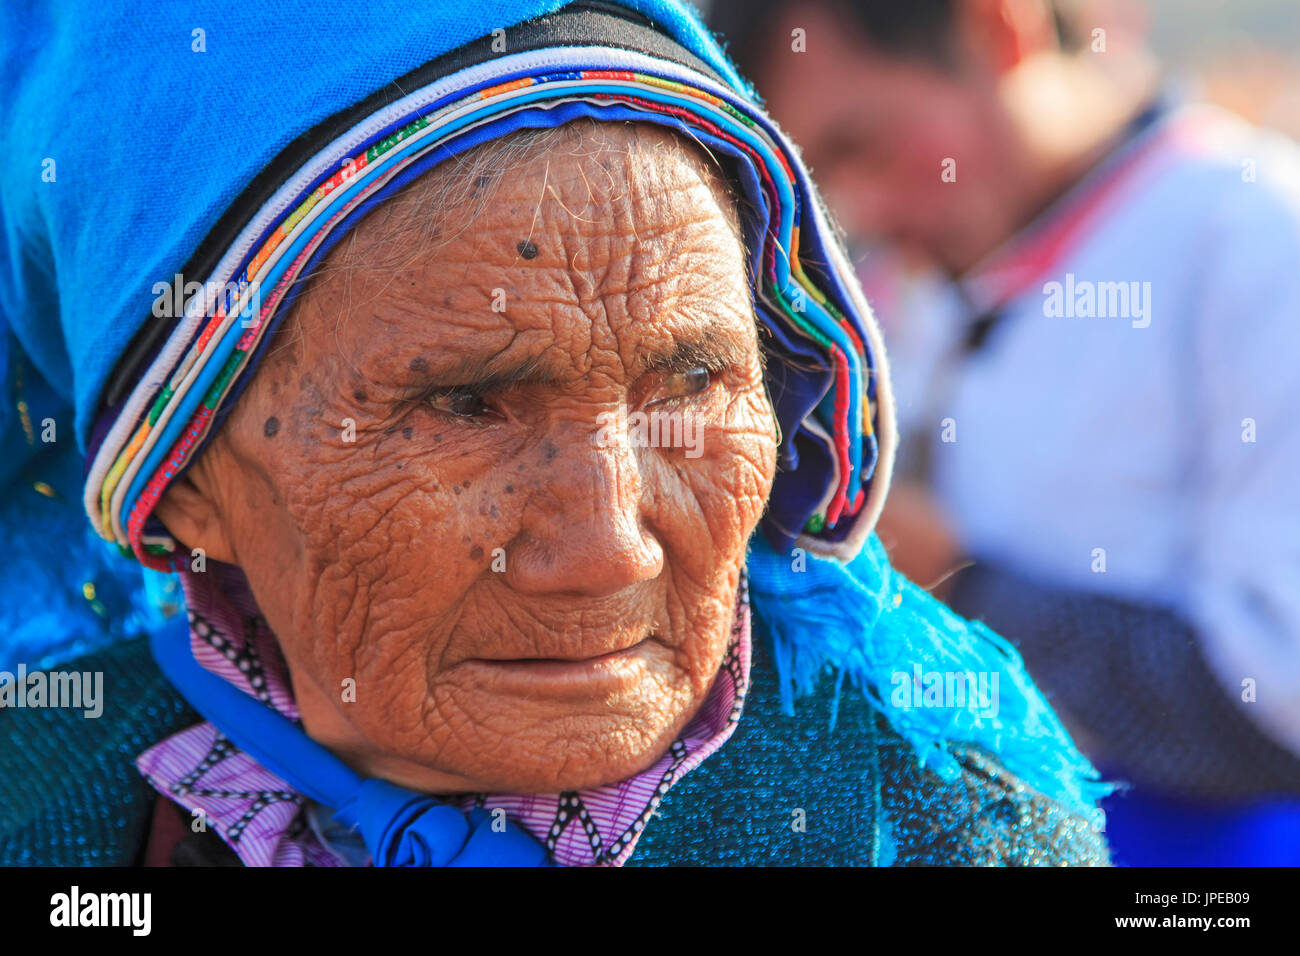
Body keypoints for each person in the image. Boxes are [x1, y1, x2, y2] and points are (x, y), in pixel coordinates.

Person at [0, 0, 1111, 866]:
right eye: (464, 408)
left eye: (689, 388)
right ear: (178, 480)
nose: (611, 549)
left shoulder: (930, 824)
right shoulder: (46, 794)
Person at [709, 0, 1300, 864]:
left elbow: (1274, 706)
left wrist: (961, 583)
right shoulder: (920, 279)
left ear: (1000, 30)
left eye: (861, 145)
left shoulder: (1252, 248)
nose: (858, 210)